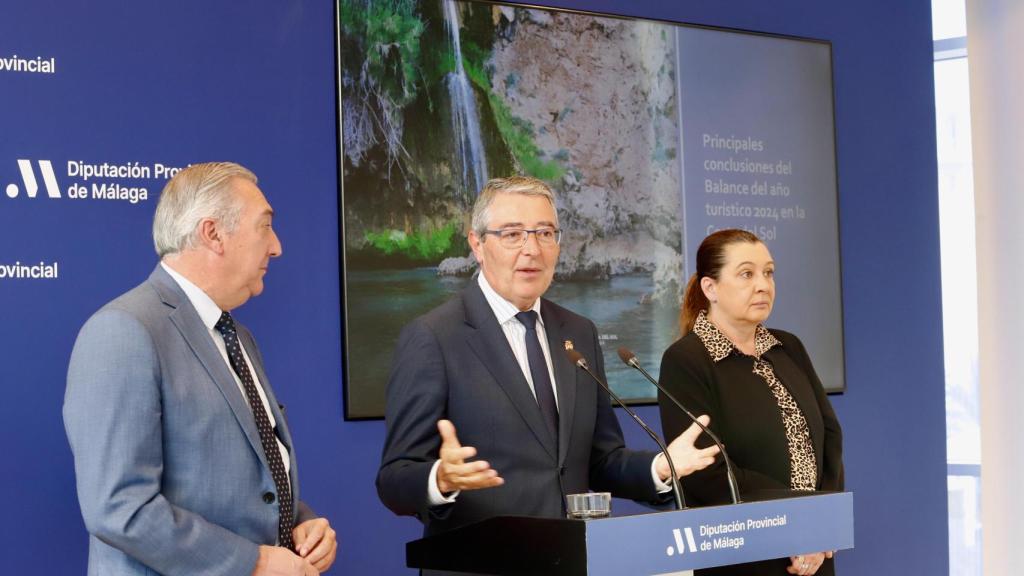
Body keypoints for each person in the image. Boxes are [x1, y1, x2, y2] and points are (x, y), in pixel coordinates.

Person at [376, 176, 720, 568]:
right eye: (512, 234)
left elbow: (601, 461)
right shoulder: (433, 337)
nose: (531, 249)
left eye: (544, 233)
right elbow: (394, 479)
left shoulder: (578, 332)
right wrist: (440, 479)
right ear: (476, 244)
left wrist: (660, 467)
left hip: (573, 562)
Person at [64, 162, 337, 576]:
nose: (277, 246)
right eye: (265, 226)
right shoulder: (123, 331)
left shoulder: (237, 335)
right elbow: (120, 508)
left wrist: (300, 523)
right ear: (213, 234)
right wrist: (256, 562)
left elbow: (243, 479)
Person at [657, 229, 844, 576]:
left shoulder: (788, 347)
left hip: (814, 555)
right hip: (744, 556)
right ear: (710, 288)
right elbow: (707, 471)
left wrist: (823, 526)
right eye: (746, 274)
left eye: (768, 272)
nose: (763, 284)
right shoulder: (686, 361)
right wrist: (795, 523)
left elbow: (830, 438)